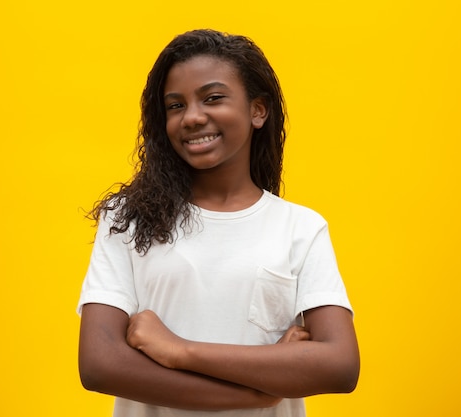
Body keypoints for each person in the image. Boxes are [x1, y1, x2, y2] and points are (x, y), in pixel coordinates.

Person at [77, 29, 360, 417]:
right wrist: (259, 393)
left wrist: (180, 350)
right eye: (175, 106)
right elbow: (99, 364)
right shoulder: (127, 220)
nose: (192, 117)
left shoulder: (300, 228)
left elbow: (340, 366)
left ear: (257, 110)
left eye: (212, 98)